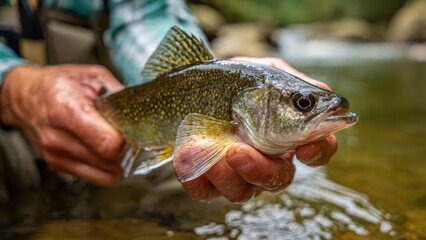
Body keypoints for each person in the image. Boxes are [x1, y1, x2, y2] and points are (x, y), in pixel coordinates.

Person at [0, 0, 337, 204]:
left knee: (214, 198)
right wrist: (14, 87)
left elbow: (147, 15)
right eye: (303, 104)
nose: (310, 108)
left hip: (118, 104)